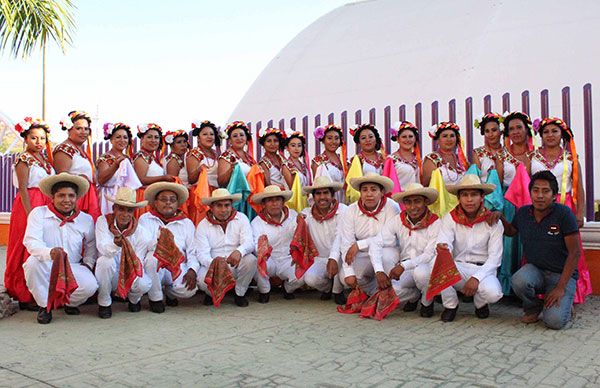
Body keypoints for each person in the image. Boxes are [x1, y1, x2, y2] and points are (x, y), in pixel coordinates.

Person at [491, 171, 580, 329]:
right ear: (530, 192)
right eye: (536, 190)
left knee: (554, 322)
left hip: (561, 275)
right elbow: (511, 231)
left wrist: (560, 288)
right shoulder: (523, 213)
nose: (540, 195)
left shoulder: (564, 214)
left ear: (554, 195)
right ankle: (533, 307)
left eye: (545, 191)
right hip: (536, 271)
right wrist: (500, 217)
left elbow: (575, 253)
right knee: (518, 280)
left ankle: (567, 308)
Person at [529, 117, 592, 304]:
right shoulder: (532, 156)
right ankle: (539, 293)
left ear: (562, 134)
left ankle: (570, 293)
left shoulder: (571, 157)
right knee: (541, 245)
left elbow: (578, 187)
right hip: (539, 207)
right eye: (546, 132)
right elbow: (525, 183)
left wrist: (580, 213)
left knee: (568, 249)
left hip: (565, 206)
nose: (550, 135)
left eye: (554, 131)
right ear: (541, 135)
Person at [22, 173, 98, 324]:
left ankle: (69, 303)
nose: (67, 200)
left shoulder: (85, 219)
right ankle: (45, 306)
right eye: (61, 195)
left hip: (73, 265)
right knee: (31, 264)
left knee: (91, 286)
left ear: (77, 198)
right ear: (53, 197)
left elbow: (91, 245)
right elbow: (31, 241)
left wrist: (88, 264)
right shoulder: (38, 214)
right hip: (46, 263)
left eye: (71, 195)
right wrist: (49, 253)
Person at [429, 174, 503, 322]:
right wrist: (444, 248)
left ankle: (480, 303)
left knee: (493, 294)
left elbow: (495, 258)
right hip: (458, 268)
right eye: (465, 195)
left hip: (483, 270)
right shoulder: (450, 218)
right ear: (459, 198)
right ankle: (450, 305)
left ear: (482, 197)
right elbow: (445, 243)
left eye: (474, 194)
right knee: (436, 261)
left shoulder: (493, 221)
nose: (469, 199)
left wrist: (476, 278)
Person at [5, 117, 55, 311]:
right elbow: (24, 188)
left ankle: (41, 290)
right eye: (34, 138)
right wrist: (30, 214)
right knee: (25, 246)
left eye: (42, 138)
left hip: (46, 202)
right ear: (26, 139)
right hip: (30, 203)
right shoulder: (23, 158)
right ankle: (24, 294)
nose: (38, 142)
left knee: (43, 243)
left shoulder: (45, 160)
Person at [371, 183, 441, 317]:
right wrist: (379, 270)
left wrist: (403, 265)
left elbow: (429, 254)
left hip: (426, 267)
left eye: (417, 201)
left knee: (421, 273)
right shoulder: (398, 220)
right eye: (408, 202)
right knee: (391, 292)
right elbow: (377, 242)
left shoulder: (436, 222)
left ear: (426, 201)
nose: (413, 207)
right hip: (405, 268)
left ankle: (427, 302)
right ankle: (414, 296)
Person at [139, 182, 199, 313]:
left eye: (172, 200)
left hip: (177, 264)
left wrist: (192, 270)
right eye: (163, 199)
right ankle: (155, 298)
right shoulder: (145, 219)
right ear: (155, 202)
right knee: (152, 258)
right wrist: (161, 241)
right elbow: (144, 246)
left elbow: (192, 251)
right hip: (154, 266)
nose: (168, 203)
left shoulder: (186, 223)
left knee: (188, 290)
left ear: (177, 204)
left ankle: (170, 292)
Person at [95, 187, 152, 318]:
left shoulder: (141, 231)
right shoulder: (103, 222)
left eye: (129, 210)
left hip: (129, 270)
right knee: (105, 261)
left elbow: (138, 260)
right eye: (121, 209)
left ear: (134, 213)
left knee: (145, 284)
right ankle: (104, 302)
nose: (125, 214)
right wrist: (116, 244)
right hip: (110, 272)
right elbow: (103, 248)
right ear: (114, 208)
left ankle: (133, 299)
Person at [195, 189, 257, 307]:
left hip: (235, 263)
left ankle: (239, 293)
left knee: (251, 260)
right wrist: (215, 264)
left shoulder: (242, 218)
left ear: (231, 205)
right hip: (212, 265)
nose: (224, 210)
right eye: (219, 206)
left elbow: (249, 242)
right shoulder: (203, 225)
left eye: (227, 205)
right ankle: (210, 294)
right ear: (211, 207)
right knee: (201, 281)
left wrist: (239, 251)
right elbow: (202, 254)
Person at [339, 173, 400, 296]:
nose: (369, 194)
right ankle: (375, 292)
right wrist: (349, 271)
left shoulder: (392, 207)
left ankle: (391, 289)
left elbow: (390, 239)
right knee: (345, 279)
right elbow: (347, 242)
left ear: (382, 192)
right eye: (364, 190)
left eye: (373, 189)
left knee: (386, 257)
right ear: (360, 193)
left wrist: (360, 244)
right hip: (363, 253)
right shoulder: (351, 210)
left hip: (386, 250)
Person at [250, 185, 302, 302]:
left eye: (278, 199)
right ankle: (265, 291)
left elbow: (300, 236)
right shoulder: (257, 222)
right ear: (263, 204)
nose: (274, 204)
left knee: (302, 275)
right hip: (269, 260)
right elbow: (254, 246)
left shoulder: (293, 215)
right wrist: (263, 249)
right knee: (256, 262)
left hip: (288, 259)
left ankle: (287, 288)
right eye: (270, 200)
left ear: (283, 202)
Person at [301, 176, 348, 305]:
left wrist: (333, 258)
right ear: (313, 197)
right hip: (320, 259)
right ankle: (328, 288)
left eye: (326, 193)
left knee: (341, 263)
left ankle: (338, 290)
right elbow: (293, 227)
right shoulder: (307, 214)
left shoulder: (343, 211)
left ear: (332, 195)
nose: (322, 197)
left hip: (341, 256)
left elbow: (341, 236)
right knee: (310, 279)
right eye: (318, 194)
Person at [53, 110, 101, 220]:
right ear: (69, 129)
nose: (83, 132)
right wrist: (79, 179)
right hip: (76, 196)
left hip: (88, 194)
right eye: (78, 128)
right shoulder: (64, 149)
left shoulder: (80, 150)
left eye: (86, 129)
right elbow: (62, 177)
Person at [96, 122, 141, 215]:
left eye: (125, 137)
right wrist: (115, 165)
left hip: (125, 197)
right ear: (111, 140)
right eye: (118, 137)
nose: (122, 140)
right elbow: (101, 180)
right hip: (108, 197)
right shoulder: (105, 157)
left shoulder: (127, 158)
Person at [133, 123, 176, 217]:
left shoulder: (152, 157)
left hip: (153, 197)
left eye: (156, 137)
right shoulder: (141, 156)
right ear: (142, 139)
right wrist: (163, 178)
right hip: (144, 197)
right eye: (149, 137)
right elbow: (141, 180)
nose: (153, 140)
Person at [187, 120, 221, 224]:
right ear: (198, 138)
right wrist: (199, 169)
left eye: (211, 134)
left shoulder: (216, 154)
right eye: (205, 134)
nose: (209, 137)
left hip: (215, 193)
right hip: (201, 193)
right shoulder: (195, 153)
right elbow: (191, 179)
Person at [422, 121, 467, 186]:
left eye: (452, 136)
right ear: (438, 140)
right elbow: (426, 186)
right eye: (445, 136)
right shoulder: (432, 159)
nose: (449, 139)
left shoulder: (461, 159)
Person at [311, 124, 347, 203]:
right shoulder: (318, 161)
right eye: (330, 138)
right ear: (323, 140)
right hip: (327, 200)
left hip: (344, 199)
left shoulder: (344, 160)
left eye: (336, 138)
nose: (333, 142)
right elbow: (318, 185)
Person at [217, 121, 256, 187]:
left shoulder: (249, 157)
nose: (239, 138)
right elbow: (221, 183)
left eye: (242, 135)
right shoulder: (226, 156)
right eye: (235, 136)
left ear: (246, 138)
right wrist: (230, 171)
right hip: (236, 195)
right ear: (230, 140)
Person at [472, 113, 504, 183]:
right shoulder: (478, 153)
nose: (490, 134)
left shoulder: (507, 153)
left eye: (494, 130)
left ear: (501, 131)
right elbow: (475, 180)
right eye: (487, 131)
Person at [389, 121, 422, 188]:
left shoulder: (418, 159)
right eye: (404, 137)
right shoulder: (391, 160)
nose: (408, 139)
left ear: (415, 139)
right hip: (398, 197)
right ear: (398, 139)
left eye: (410, 136)